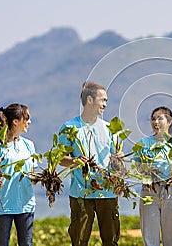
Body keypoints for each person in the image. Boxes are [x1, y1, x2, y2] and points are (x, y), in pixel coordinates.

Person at [58, 81, 121, 246]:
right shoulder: (69, 127)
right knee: (79, 241)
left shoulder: (110, 129)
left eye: (106, 100)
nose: (105, 104)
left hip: (107, 192)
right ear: (90, 100)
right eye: (103, 100)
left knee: (111, 241)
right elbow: (60, 159)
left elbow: (116, 161)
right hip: (81, 193)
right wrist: (75, 161)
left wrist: (118, 159)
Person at [0, 103, 37, 246]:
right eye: (26, 118)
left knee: (26, 244)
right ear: (15, 121)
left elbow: (32, 175)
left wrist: (45, 177)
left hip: (26, 204)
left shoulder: (29, 145)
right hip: (2, 205)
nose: (29, 122)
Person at [133, 106, 172, 246]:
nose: (155, 122)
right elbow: (137, 168)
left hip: (170, 192)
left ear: (169, 122)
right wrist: (145, 170)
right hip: (149, 192)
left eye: (160, 118)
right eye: (153, 119)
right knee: (150, 238)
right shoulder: (143, 144)